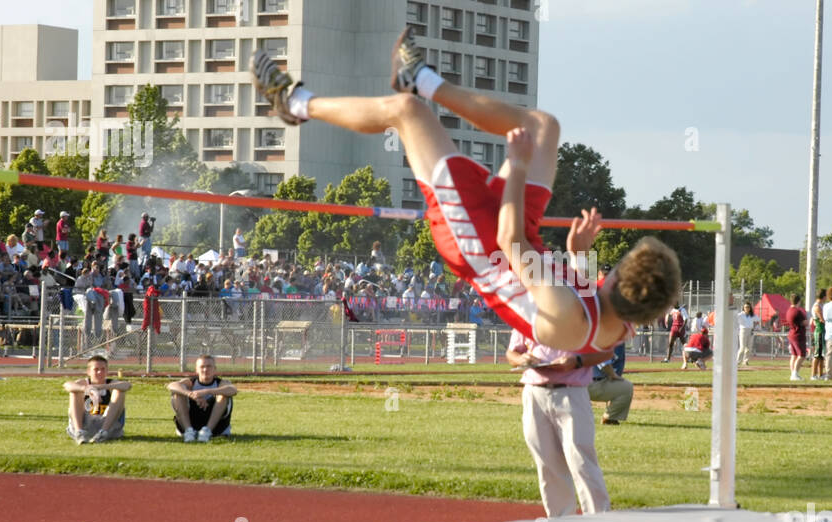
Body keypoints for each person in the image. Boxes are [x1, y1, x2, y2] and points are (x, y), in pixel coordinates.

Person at [251, 29, 680, 354]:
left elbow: (508, 243)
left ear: (622, 279)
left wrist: (519, 166)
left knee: (406, 113)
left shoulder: (570, 317)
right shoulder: (620, 319)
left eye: (618, 268)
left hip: (479, 242)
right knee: (544, 126)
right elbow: (589, 305)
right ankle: (420, 78)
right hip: (519, 240)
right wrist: (579, 254)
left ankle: (295, 104)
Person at [506, 328, 612, 517]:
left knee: (580, 459)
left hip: (571, 392)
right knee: (547, 462)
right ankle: (560, 520)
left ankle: (599, 518)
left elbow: (605, 351)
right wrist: (522, 360)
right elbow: (512, 352)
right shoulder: (527, 314)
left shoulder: (581, 312)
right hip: (535, 392)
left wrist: (577, 361)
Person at [63, 355, 131, 444]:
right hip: (85, 424)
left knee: (120, 391)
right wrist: (87, 389)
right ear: (88, 372)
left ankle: (103, 433)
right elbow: (67, 385)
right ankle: (79, 432)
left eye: (103, 369)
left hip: (107, 424)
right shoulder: (83, 383)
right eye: (96, 369)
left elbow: (127, 385)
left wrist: (100, 387)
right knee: (75, 391)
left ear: (107, 371)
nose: (100, 372)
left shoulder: (111, 384)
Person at [168, 355, 238, 442]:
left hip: (216, 428)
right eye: (202, 367)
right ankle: (188, 431)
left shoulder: (221, 383)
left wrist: (207, 391)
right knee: (178, 393)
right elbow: (171, 385)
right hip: (192, 422)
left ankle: (207, 431)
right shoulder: (191, 382)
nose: (205, 370)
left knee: (223, 394)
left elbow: (233, 390)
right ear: (196, 369)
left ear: (214, 369)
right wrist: (191, 394)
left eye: (209, 366)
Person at [588, 342, 633, 426]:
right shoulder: (601, 337)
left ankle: (610, 419)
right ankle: (610, 418)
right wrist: (613, 374)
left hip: (576, 385)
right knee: (627, 388)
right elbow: (602, 361)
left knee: (625, 387)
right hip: (588, 384)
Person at [787, 295, 808, 381]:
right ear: (798, 301)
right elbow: (804, 322)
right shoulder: (797, 311)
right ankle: (795, 373)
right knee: (801, 355)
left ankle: (793, 373)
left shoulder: (789, 311)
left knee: (794, 355)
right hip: (798, 335)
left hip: (791, 333)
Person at [810, 288, 827, 380]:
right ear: (824, 296)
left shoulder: (822, 305)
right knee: (817, 354)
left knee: (821, 355)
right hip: (819, 331)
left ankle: (821, 374)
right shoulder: (817, 306)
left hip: (823, 331)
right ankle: (813, 375)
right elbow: (822, 319)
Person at [736, 300, 756, 368]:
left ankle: (745, 361)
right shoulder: (741, 314)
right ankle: (738, 361)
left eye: (748, 307)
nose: (747, 308)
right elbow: (735, 319)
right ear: (743, 308)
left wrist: (753, 327)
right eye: (746, 307)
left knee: (749, 348)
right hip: (743, 330)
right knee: (742, 347)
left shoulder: (752, 315)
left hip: (750, 331)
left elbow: (757, 320)